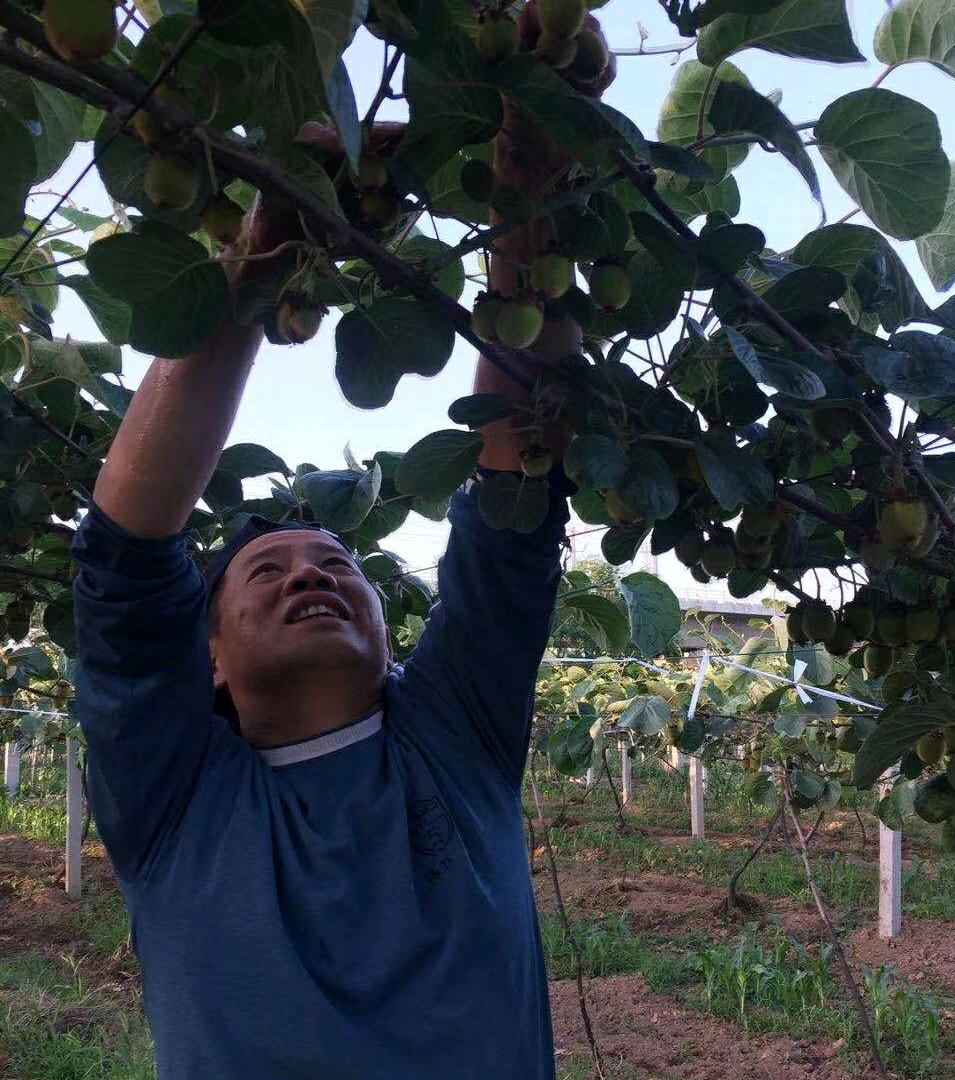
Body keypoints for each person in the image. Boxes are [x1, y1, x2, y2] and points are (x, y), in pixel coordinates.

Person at [70, 26, 614, 1074]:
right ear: (209, 658)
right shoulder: (175, 796)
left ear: (386, 635)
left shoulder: (452, 737)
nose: (312, 571)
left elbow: (514, 503)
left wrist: (526, 196)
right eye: (263, 573)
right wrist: (265, 244)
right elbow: (127, 559)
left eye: (337, 566)